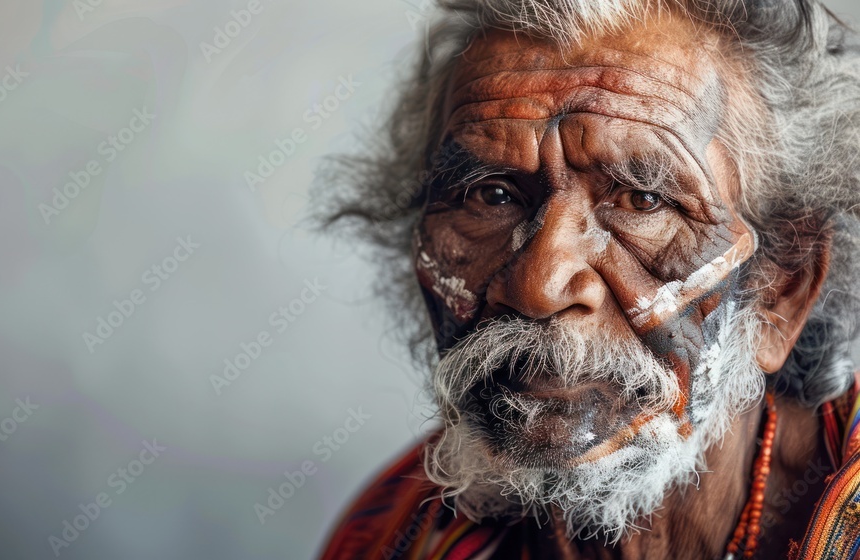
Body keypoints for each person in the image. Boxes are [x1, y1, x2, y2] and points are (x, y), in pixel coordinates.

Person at [314, 0, 860, 558]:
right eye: (491, 195)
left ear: (782, 287)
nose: (539, 286)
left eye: (643, 200)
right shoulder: (387, 538)